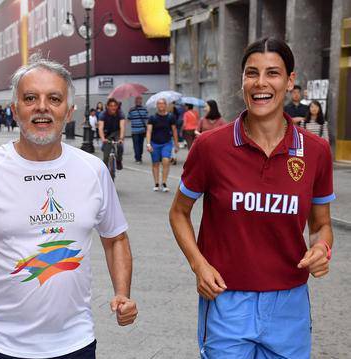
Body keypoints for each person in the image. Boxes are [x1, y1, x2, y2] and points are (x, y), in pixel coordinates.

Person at [0, 55, 137, 359]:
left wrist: (122, 293)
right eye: (30, 98)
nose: (42, 106)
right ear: (15, 109)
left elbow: (116, 239)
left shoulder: (93, 170)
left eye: (54, 99)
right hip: (2, 344)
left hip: (75, 342)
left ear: (69, 111)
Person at [170, 37, 335, 359]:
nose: (261, 83)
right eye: (251, 73)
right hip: (226, 301)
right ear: (242, 80)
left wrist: (322, 248)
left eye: (272, 73)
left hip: (290, 302)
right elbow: (179, 213)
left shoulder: (316, 151)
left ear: (289, 81)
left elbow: (322, 224)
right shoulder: (210, 146)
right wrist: (198, 264)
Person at [146, 98, 178, 192]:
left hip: (166, 143)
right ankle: (156, 183)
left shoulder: (170, 117)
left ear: (166, 105)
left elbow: (174, 130)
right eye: (159, 104)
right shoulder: (152, 118)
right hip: (154, 143)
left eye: (163, 104)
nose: (161, 105)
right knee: (155, 163)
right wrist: (148, 144)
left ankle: (164, 182)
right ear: (157, 106)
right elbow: (149, 131)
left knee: (166, 160)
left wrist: (176, 144)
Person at [98, 97, 125, 172]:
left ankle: (119, 161)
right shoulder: (103, 114)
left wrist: (121, 138)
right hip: (107, 134)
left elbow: (122, 126)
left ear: (117, 106)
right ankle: (105, 173)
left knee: (120, 146)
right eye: (111, 105)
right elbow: (100, 128)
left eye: (114, 105)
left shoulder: (120, 113)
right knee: (106, 157)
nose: (113, 107)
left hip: (117, 132)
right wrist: (103, 139)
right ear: (107, 106)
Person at [126, 96, 149, 163]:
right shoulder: (133, 110)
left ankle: (139, 157)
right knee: (137, 145)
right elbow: (147, 119)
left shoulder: (143, 109)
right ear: (135, 101)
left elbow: (129, 119)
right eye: (137, 100)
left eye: (139, 100)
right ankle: (138, 158)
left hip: (140, 130)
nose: (138, 101)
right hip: (136, 131)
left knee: (139, 145)